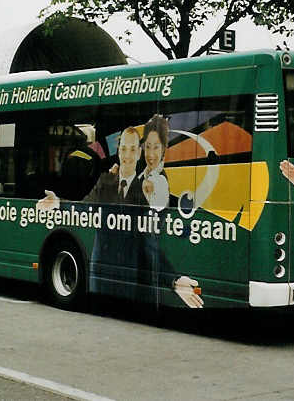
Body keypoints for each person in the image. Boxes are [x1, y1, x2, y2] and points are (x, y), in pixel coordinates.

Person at [38, 125, 203, 308]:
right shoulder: (105, 182)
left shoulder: (147, 191)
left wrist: (172, 280)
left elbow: (150, 243)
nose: (127, 155)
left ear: (139, 153)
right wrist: (60, 203)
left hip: (131, 279)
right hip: (100, 275)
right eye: (123, 149)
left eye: (132, 149)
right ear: (118, 152)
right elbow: (84, 210)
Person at [139, 114, 170, 212]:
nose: (151, 154)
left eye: (156, 147)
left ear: (163, 148)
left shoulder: (161, 180)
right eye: (148, 146)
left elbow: (159, 205)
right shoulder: (141, 175)